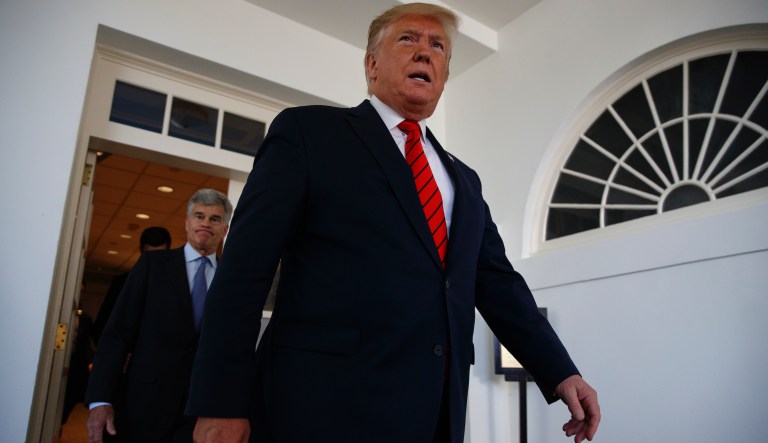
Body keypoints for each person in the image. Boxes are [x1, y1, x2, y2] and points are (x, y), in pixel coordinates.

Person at [187, 3, 601, 443]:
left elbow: (497, 282)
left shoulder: (464, 179)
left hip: (433, 415)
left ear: (443, 75)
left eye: (438, 46)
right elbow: (243, 272)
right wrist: (220, 402)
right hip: (319, 410)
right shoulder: (308, 133)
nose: (425, 52)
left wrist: (561, 371)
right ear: (371, 65)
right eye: (408, 39)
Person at [84, 189, 232, 443]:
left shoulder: (231, 280)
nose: (206, 223)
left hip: (201, 411)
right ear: (187, 222)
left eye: (215, 219)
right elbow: (117, 334)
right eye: (199, 216)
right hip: (143, 404)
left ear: (225, 228)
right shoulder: (152, 266)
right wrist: (100, 398)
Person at [92, 226, 172, 344]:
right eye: (150, 257)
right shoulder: (122, 283)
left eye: (160, 256)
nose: (155, 262)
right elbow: (103, 325)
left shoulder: (174, 286)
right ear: (141, 252)